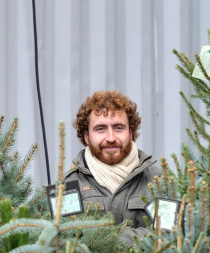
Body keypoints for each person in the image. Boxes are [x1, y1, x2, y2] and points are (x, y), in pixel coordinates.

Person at [67, 90, 160, 240]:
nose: (110, 138)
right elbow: (65, 240)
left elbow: (170, 235)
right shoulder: (68, 185)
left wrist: (107, 239)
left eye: (118, 128)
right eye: (100, 129)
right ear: (87, 137)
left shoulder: (160, 180)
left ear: (130, 133)